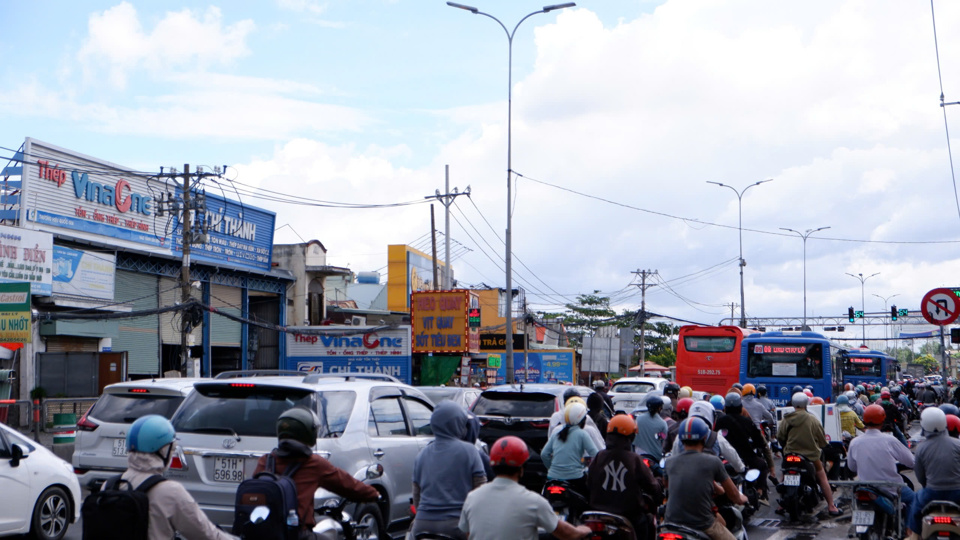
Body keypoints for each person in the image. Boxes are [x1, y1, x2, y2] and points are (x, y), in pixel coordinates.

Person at [253, 408, 379, 538]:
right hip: (296, 534)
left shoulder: (266, 461)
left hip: (263, 532)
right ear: (308, 433)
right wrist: (373, 494)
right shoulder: (313, 463)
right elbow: (346, 484)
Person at [116, 415, 237, 540]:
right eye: (172, 448)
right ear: (163, 450)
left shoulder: (111, 485)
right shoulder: (169, 491)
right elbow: (205, 534)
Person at [459, 436, 592, 540]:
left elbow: (468, 532)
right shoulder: (534, 502)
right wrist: (583, 530)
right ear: (522, 468)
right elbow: (565, 533)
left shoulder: (472, 498)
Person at [410, 402, 487, 539]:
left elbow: (417, 496)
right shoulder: (470, 451)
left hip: (422, 525)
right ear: (458, 424)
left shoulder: (422, 454)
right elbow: (480, 492)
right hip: (457, 525)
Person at [663, 417, 748, 540]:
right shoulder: (713, 462)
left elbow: (667, 485)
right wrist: (742, 499)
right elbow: (733, 494)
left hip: (671, 523)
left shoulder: (669, 462)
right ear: (704, 438)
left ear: (681, 439)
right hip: (702, 524)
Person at [587, 414, 663, 538]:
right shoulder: (634, 460)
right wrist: (659, 485)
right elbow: (652, 486)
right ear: (630, 437)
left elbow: (589, 484)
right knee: (648, 521)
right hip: (629, 517)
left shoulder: (599, 457)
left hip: (598, 515)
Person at [777, 392, 841, 516]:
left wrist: (786, 447)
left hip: (790, 453)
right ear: (806, 403)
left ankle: (781, 505)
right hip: (810, 456)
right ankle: (831, 506)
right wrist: (822, 444)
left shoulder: (787, 419)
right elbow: (822, 441)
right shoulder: (812, 419)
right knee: (822, 476)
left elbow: (780, 436)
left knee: (784, 474)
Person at [847, 404, 915, 521]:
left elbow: (852, 467)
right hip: (891, 488)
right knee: (914, 499)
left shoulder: (855, 442)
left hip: (866, 487)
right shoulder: (890, 440)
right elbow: (911, 462)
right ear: (883, 420)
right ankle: (909, 532)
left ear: (864, 420)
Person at [909, 407, 960, 538]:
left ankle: (914, 535)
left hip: (931, 493)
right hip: (957, 493)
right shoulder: (957, 444)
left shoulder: (921, 448)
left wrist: (928, 486)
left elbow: (920, 477)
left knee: (915, 506)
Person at [714, 393, 771, 498]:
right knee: (762, 465)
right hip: (746, 457)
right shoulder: (747, 422)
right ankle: (760, 492)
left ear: (725, 407)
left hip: (724, 458)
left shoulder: (719, 422)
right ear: (740, 407)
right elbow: (759, 440)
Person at [669, 400, 745, 474]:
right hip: (710, 483)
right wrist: (741, 468)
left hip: (684, 481)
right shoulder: (716, 437)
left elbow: (673, 461)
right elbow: (734, 458)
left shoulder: (680, 436)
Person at [542, 402, 600, 495]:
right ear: (582, 420)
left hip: (552, 478)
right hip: (575, 478)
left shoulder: (557, 433)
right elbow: (597, 456)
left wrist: (553, 468)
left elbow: (544, 454)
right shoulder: (582, 434)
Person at [634, 395, 668, 461]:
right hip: (655, 457)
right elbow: (663, 441)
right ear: (660, 408)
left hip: (638, 456)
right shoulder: (662, 423)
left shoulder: (639, 419)